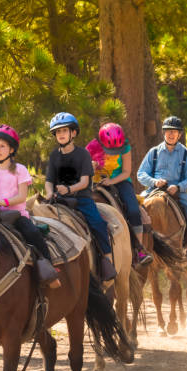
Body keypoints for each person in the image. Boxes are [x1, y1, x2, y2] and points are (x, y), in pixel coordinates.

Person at [0, 124, 60, 288]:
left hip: (16, 216)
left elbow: (22, 196)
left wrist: (4, 202)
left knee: (34, 235)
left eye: (2, 146)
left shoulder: (20, 169)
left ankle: (49, 271)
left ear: (11, 149)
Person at [45, 112, 117, 281]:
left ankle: (107, 259)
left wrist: (69, 189)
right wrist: (49, 193)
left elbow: (85, 182)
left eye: (64, 130)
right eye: (58, 132)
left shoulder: (83, 154)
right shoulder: (54, 156)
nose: (61, 134)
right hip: (58, 200)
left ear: (73, 133)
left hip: (81, 199)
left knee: (98, 223)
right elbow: (49, 180)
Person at [137, 115, 187, 262]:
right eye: (168, 131)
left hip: (177, 192)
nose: (171, 134)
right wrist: (154, 181)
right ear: (163, 133)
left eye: (175, 131)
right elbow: (140, 174)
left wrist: (179, 187)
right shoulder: (154, 152)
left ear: (180, 134)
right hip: (153, 190)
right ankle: (136, 246)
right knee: (135, 208)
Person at [87, 123, 152, 266]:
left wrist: (111, 181)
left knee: (134, 211)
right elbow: (82, 170)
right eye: (110, 149)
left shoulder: (126, 147)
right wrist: (90, 167)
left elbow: (126, 172)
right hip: (95, 181)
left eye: (117, 148)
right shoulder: (91, 147)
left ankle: (139, 250)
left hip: (120, 181)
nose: (114, 151)